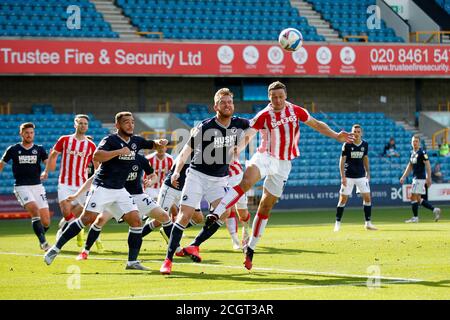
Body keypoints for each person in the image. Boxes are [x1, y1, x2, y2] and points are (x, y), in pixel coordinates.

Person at [209, 81, 354, 270]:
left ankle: (251, 248)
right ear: (269, 98)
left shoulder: (296, 111)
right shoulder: (264, 115)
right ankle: (217, 212)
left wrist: (336, 135)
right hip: (265, 156)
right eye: (274, 97)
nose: (277, 100)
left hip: (283, 164)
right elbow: (248, 135)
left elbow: (316, 124)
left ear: (285, 96)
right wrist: (237, 150)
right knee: (246, 182)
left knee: (266, 205)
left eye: (280, 96)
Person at [44, 111, 168, 270]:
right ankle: (55, 248)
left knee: (136, 221)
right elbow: (97, 156)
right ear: (117, 125)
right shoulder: (110, 140)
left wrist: (160, 141)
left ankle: (132, 262)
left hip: (120, 190)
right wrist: (118, 152)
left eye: (132, 122)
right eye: (126, 122)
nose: (130, 124)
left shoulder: (136, 141)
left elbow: (152, 144)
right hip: (102, 187)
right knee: (86, 219)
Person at [159, 88, 251, 275]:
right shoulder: (205, 126)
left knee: (224, 213)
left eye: (230, 102)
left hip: (219, 179)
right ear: (215, 106)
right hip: (197, 175)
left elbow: (255, 127)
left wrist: (240, 147)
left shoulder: (239, 123)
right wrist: (177, 172)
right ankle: (168, 260)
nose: (228, 105)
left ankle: (194, 245)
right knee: (184, 216)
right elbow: (185, 151)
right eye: (223, 102)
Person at [70, 154, 173, 261]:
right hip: (117, 197)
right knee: (100, 220)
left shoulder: (141, 159)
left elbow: (154, 175)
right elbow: (95, 176)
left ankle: (177, 248)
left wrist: (150, 181)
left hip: (137, 196)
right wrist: (78, 194)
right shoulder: (114, 159)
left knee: (163, 216)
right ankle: (85, 251)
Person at [41, 114, 97, 248]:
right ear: (75, 125)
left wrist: (98, 180)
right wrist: (46, 171)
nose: (83, 125)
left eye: (85, 124)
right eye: (80, 123)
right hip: (65, 181)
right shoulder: (65, 140)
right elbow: (54, 154)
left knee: (87, 212)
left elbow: (97, 164)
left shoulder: (91, 145)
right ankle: (73, 229)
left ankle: (65, 228)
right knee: (66, 209)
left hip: (82, 184)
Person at [0, 122, 51, 251]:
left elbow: (49, 165)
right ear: (21, 133)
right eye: (26, 133)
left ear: (34, 134)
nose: (29, 135)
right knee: (34, 210)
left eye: (31, 133)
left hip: (37, 186)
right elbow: (2, 163)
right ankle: (44, 243)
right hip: (21, 186)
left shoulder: (39, 149)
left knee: (46, 222)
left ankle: (40, 235)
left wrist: (48, 168)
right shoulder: (13, 149)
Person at [334, 124, 377, 232]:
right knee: (343, 199)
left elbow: (365, 159)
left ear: (361, 133)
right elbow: (342, 161)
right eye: (354, 132)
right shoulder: (346, 145)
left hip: (361, 176)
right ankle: (337, 223)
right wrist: (342, 176)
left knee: (367, 198)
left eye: (358, 132)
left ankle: (368, 223)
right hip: (348, 176)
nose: (356, 133)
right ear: (351, 133)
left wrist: (368, 172)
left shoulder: (365, 145)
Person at [400, 135, 441, 223]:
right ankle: (435, 210)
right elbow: (410, 166)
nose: (415, 143)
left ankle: (415, 217)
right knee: (418, 198)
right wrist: (404, 176)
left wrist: (429, 178)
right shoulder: (412, 153)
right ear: (411, 142)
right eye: (413, 141)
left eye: (416, 141)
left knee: (412, 196)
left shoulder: (422, 152)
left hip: (420, 178)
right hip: (415, 178)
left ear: (419, 143)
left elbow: (428, 165)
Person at [226, 160, 251, 250]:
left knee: (243, 213)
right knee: (228, 209)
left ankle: (246, 230)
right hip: (222, 178)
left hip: (236, 177)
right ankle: (235, 240)